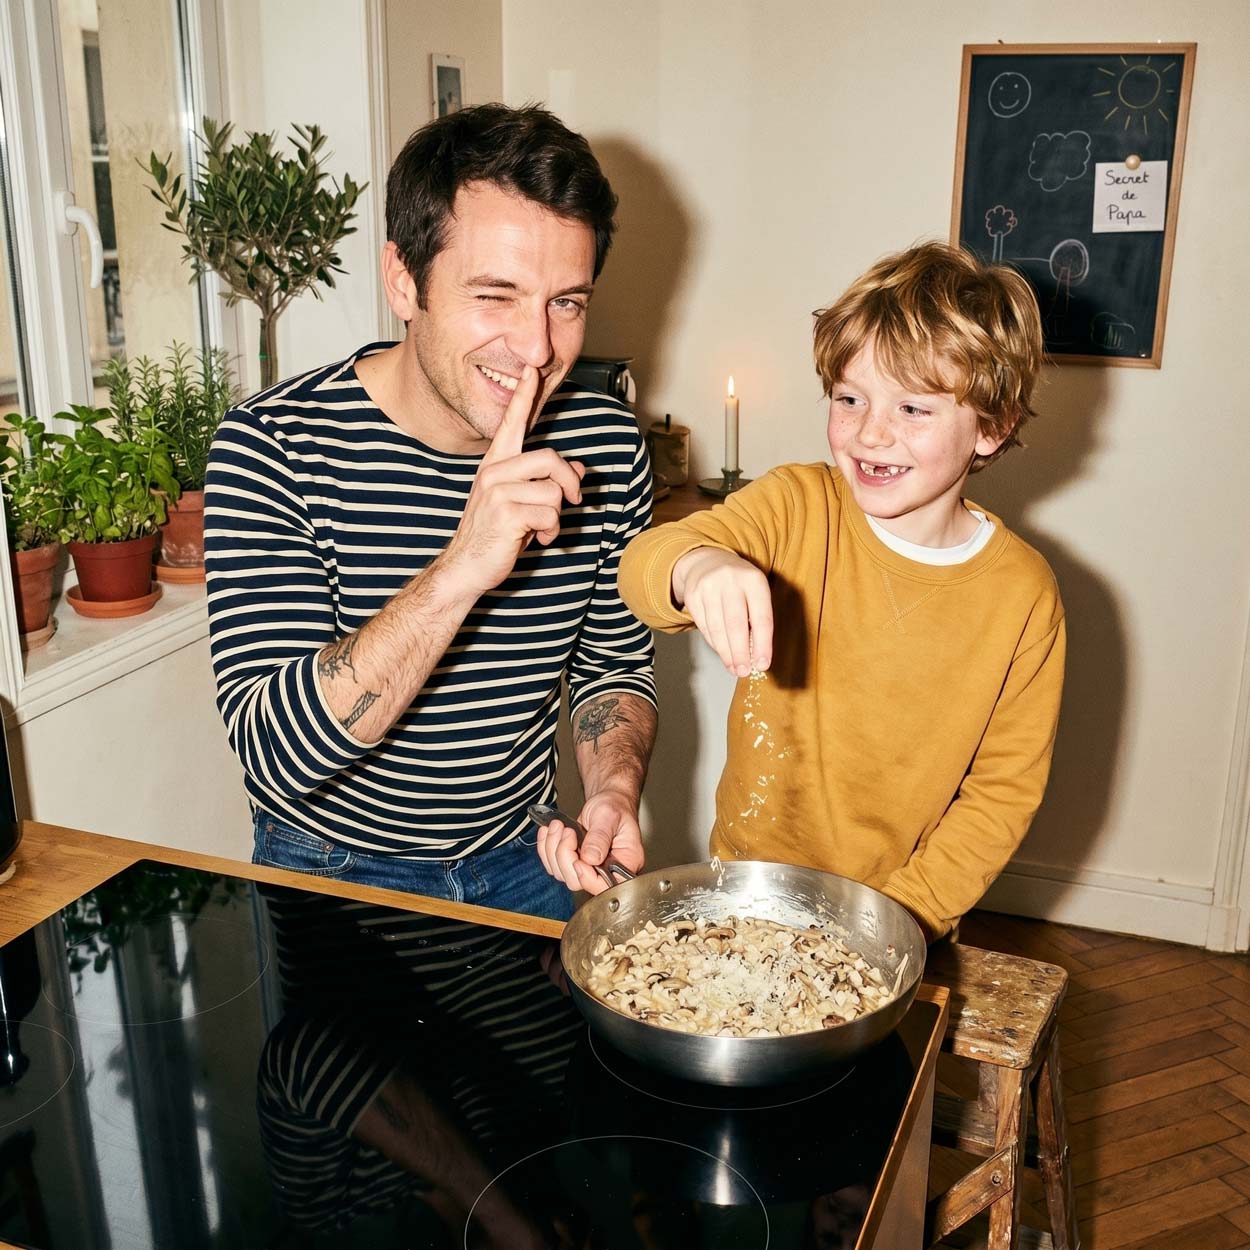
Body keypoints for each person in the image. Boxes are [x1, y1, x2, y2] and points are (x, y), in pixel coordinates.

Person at [204, 104, 657, 922]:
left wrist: (612, 793)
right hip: (332, 877)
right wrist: (461, 568)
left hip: (530, 858)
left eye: (566, 302)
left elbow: (611, 671)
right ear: (403, 280)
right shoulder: (274, 447)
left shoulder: (605, 439)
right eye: (496, 295)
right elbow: (273, 755)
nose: (538, 349)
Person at [618, 241, 1065, 941]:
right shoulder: (798, 503)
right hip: (745, 890)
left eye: (913, 409)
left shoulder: (1024, 597)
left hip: (894, 915)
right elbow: (645, 562)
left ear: (993, 426)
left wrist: (901, 918)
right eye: (849, 398)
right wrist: (698, 565)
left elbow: (1001, 794)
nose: (870, 432)